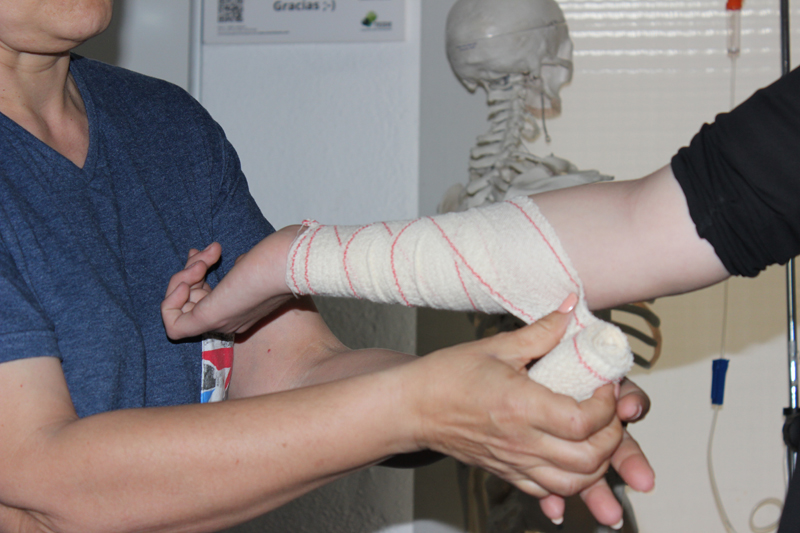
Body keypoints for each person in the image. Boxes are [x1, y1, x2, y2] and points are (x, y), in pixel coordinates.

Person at [0, 2, 652, 532]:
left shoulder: (166, 127)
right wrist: (422, 405)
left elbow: (296, 369)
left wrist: (508, 385)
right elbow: (50, 484)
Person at [161, 51, 800, 533]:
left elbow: (298, 373)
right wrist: (295, 262)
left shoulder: (176, 134)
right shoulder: (174, 130)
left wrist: (465, 395)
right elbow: (679, 214)